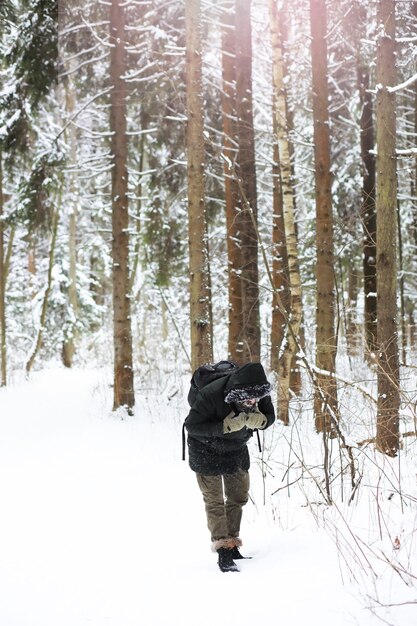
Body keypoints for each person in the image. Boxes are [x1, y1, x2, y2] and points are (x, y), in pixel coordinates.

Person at [184, 361, 275, 572]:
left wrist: (261, 421)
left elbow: (269, 417)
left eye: (257, 397)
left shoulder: (260, 392)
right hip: (205, 450)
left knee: (238, 496)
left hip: (236, 448)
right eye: (247, 398)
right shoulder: (211, 394)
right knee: (214, 500)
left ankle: (232, 543)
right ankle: (223, 550)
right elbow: (192, 425)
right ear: (236, 392)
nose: (253, 400)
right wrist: (222, 427)